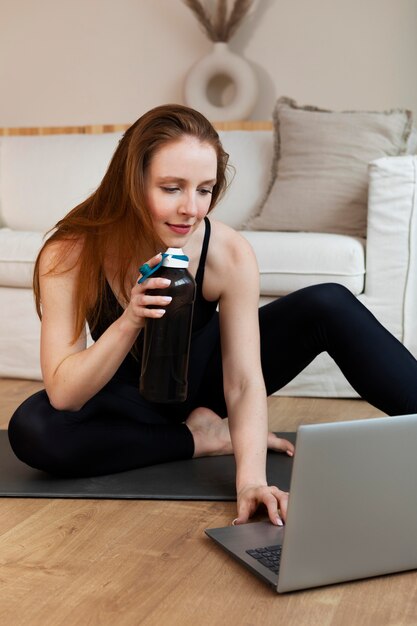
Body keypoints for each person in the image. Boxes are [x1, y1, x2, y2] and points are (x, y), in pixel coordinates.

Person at [8, 104, 417, 527]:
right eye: (171, 188)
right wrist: (130, 318)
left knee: (328, 303)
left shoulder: (227, 252)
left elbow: (242, 380)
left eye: (204, 189)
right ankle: (197, 438)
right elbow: (64, 394)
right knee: (34, 428)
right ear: (132, 183)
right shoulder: (71, 253)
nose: (193, 208)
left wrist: (251, 482)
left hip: (208, 387)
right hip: (130, 402)